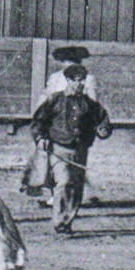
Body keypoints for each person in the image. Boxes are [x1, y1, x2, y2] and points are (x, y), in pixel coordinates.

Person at [29, 63, 112, 234]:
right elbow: (39, 121)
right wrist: (40, 137)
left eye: (83, 81)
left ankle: (67, 221)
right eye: (77, 80)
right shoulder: (55, 100)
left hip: (80, 149)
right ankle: (60, 221)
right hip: (59, 148)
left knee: (76, 187)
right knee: (64, 182)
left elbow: (103, 119)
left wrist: (103, 130)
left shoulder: (89, 104)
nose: (80, 84)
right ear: (68, 80)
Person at [22, 45, 98, 199]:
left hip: (77, 126)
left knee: (76, 162)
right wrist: (40, 118)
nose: (68, 64)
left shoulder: (87, 79)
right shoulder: (55, 77)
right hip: (56, 124)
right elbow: (45, 98)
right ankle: (55, 195)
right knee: (53, 161)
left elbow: (92, 103)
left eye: (72, 61)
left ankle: (74, 197)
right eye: (66, 61)